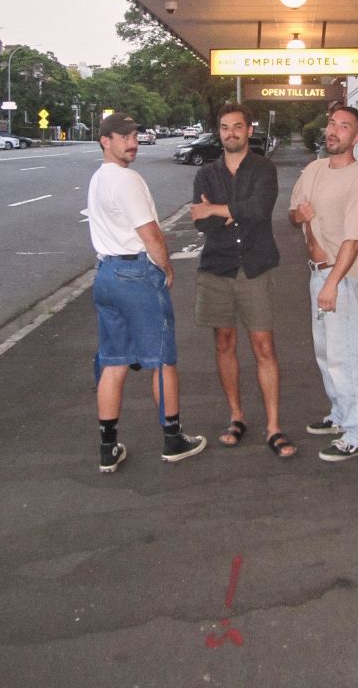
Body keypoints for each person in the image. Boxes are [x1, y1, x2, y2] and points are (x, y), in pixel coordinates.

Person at [87, 112, 206, 473]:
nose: (132, 141)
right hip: (135, 275)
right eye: (123, 136)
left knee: (114, 360)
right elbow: (150, 233)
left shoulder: (98, 178)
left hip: (105, 273)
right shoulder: (126, 180)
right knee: (161, 359)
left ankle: (108, 447)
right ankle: (173, 439)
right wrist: (166, 267)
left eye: (135, 134)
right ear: (105, 141)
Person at [190, 103, 297, 458]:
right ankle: (236, 417)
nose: (230, 133)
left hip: (256, 267)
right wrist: (232, 212)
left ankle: (274, 427)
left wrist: (218, 209)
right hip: (216, 268)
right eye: (224, 127)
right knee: (224, 343)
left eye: (237, 127)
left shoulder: (264, 168)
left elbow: (260, 210)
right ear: (218, 132)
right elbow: (201, 223)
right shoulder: (205, 175)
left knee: (264, 346)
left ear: (249, 130)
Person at [289, 105, 358, 462]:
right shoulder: (313, 170)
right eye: (331, 124)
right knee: (328, 355)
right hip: (318, 275)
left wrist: (332, 284)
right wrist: (301, 216)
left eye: (344, 127)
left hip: (341, 279)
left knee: (348, 359)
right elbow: (294, 213)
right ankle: (341, 415)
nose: (334, 131)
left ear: (356, 138)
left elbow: (354, 239)